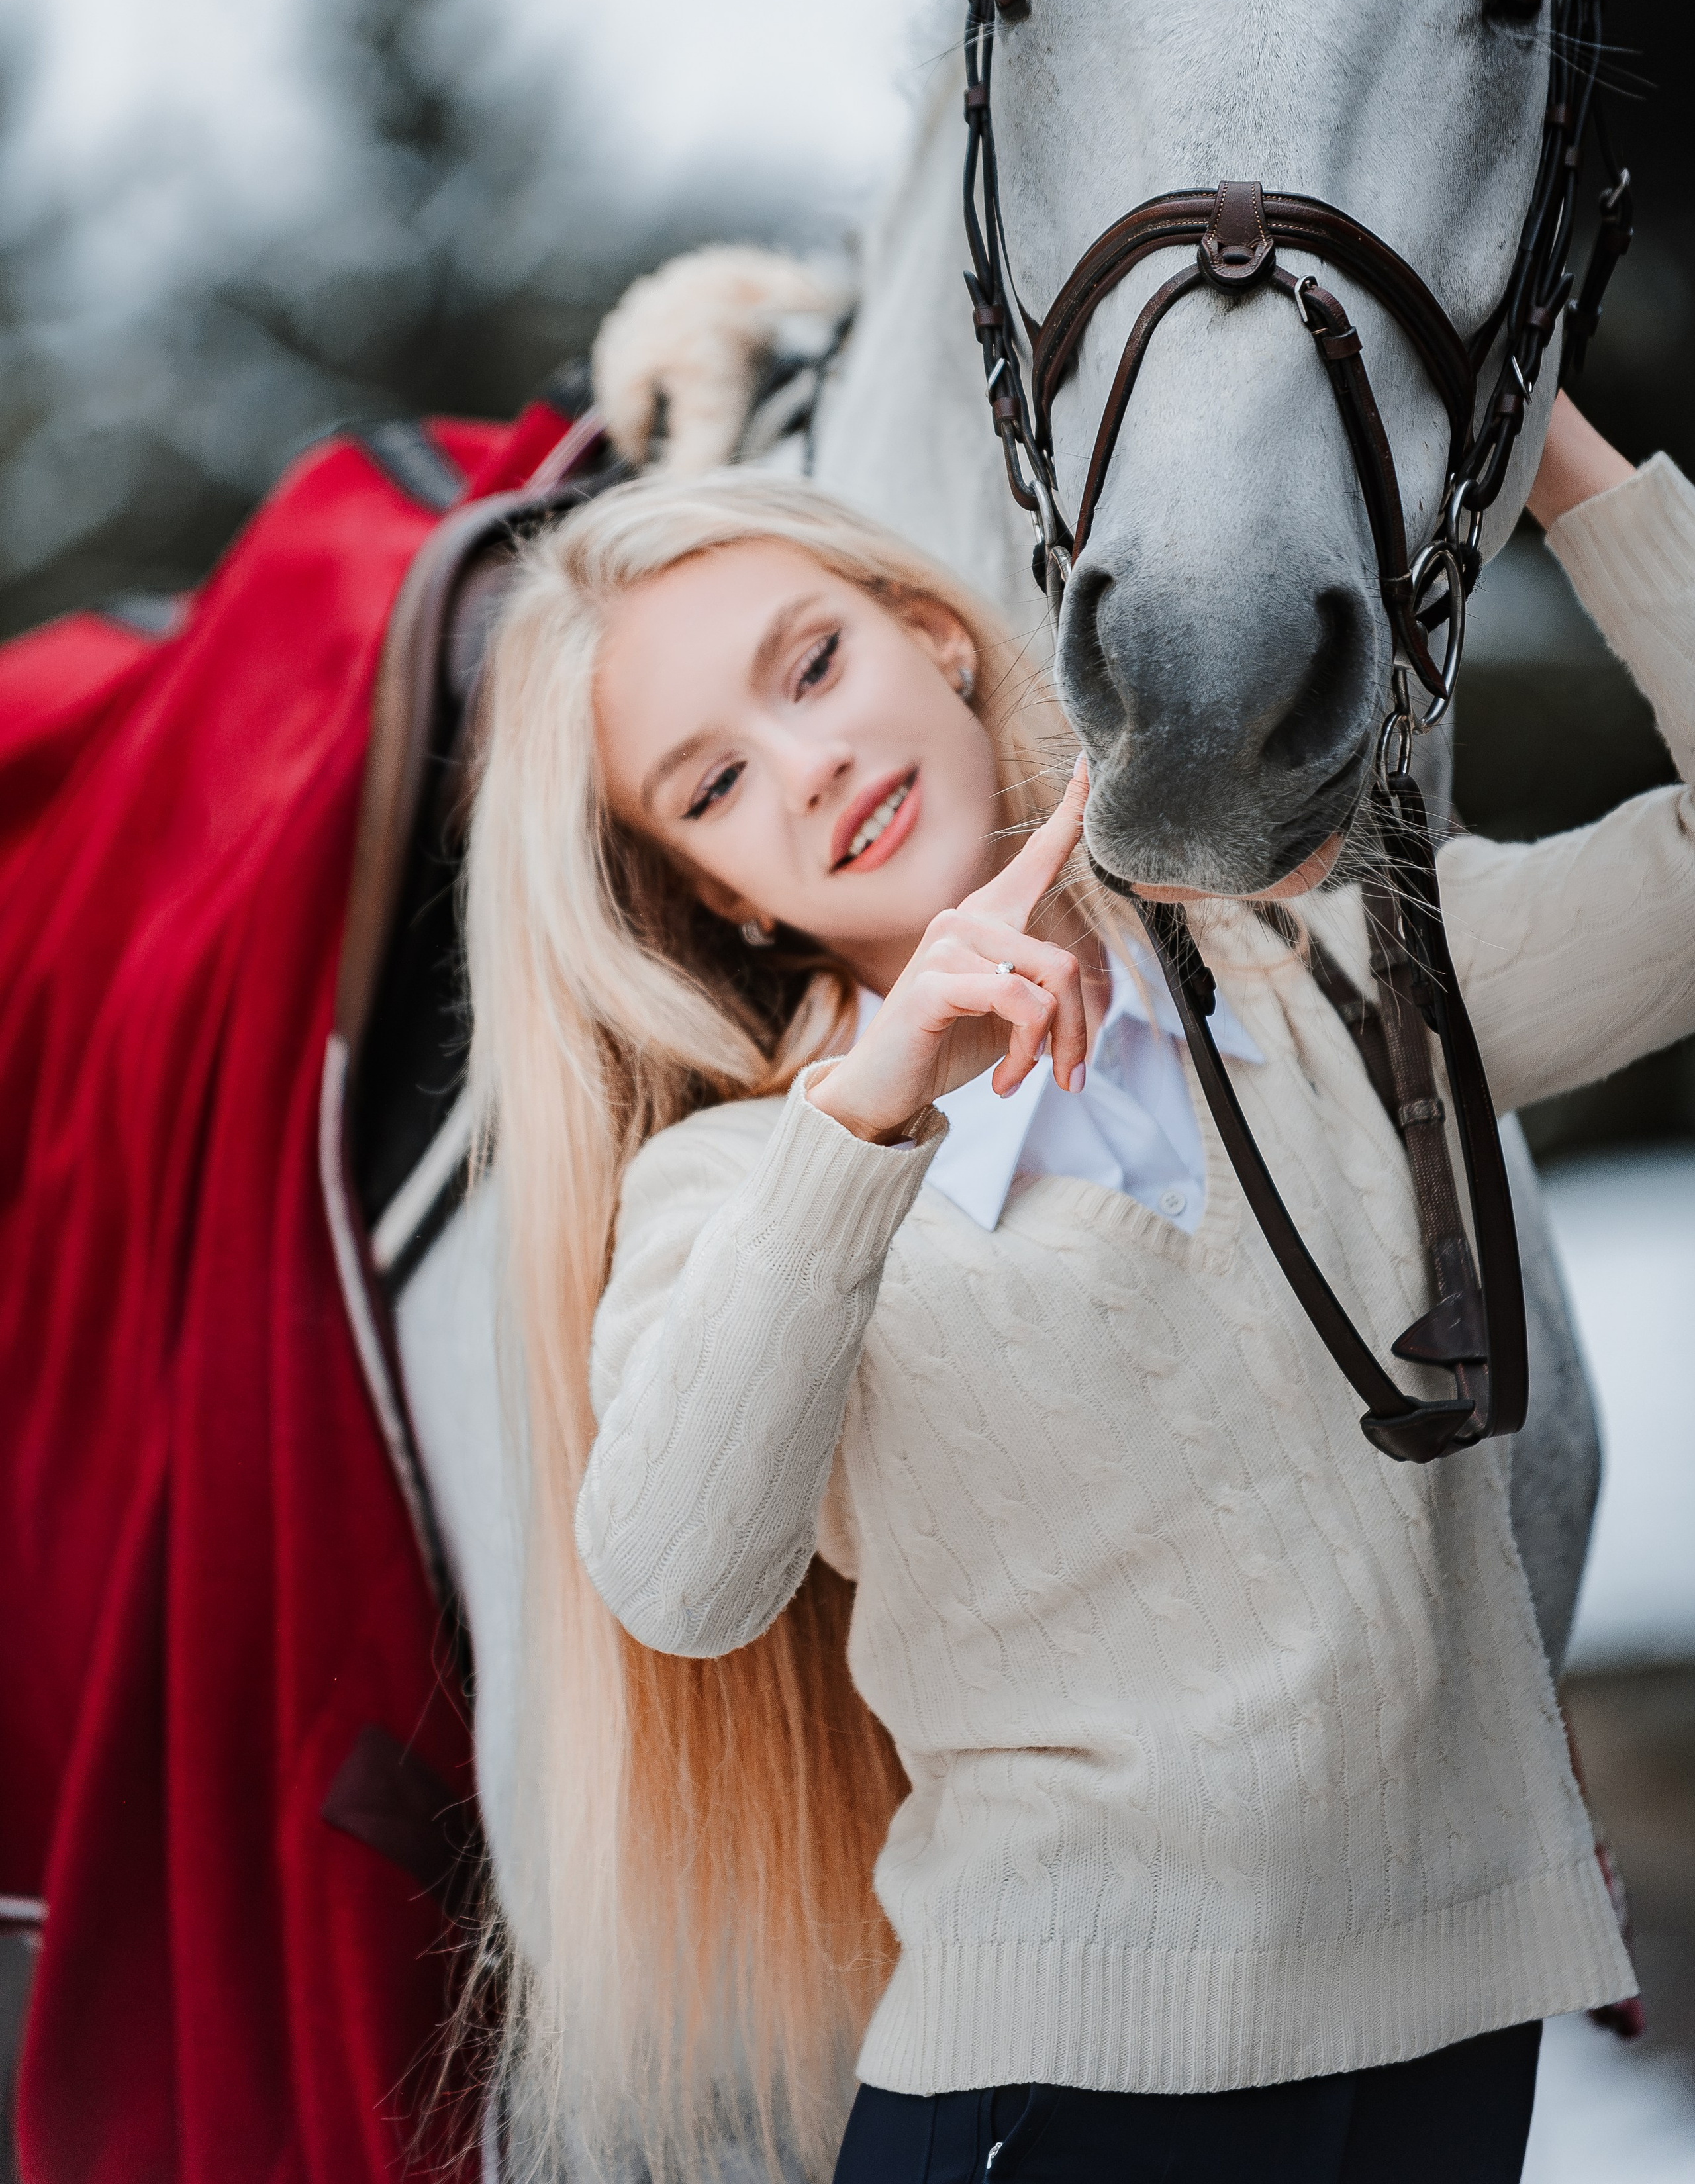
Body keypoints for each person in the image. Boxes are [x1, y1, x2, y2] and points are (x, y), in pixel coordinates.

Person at [464, 395, 1695, 2183]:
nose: (802, 765)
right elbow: (676, 1576)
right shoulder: (740, 1187)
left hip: (1449, 2039)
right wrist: (877, 1103)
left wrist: (1558, 457)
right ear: (713, 894)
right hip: (1061, 2101)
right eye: (713, 785)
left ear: (938, 638)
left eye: (810, 665)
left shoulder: (1334, 965)